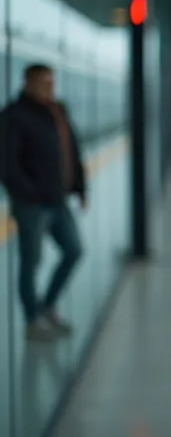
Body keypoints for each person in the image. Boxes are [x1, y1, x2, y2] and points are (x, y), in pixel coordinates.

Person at [0, 64, 85, 342]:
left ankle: (47, 306)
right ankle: (33, 318)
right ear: (28, 83)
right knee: (31, 261)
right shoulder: (14, 115)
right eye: (44, 83)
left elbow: (71, 148)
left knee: (74, 250)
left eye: (52, 82)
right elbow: (6, 163)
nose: (50, 87)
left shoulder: (56, 111)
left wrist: (81, 187)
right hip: (33, 204)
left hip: (58, 200)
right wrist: (29, 192)